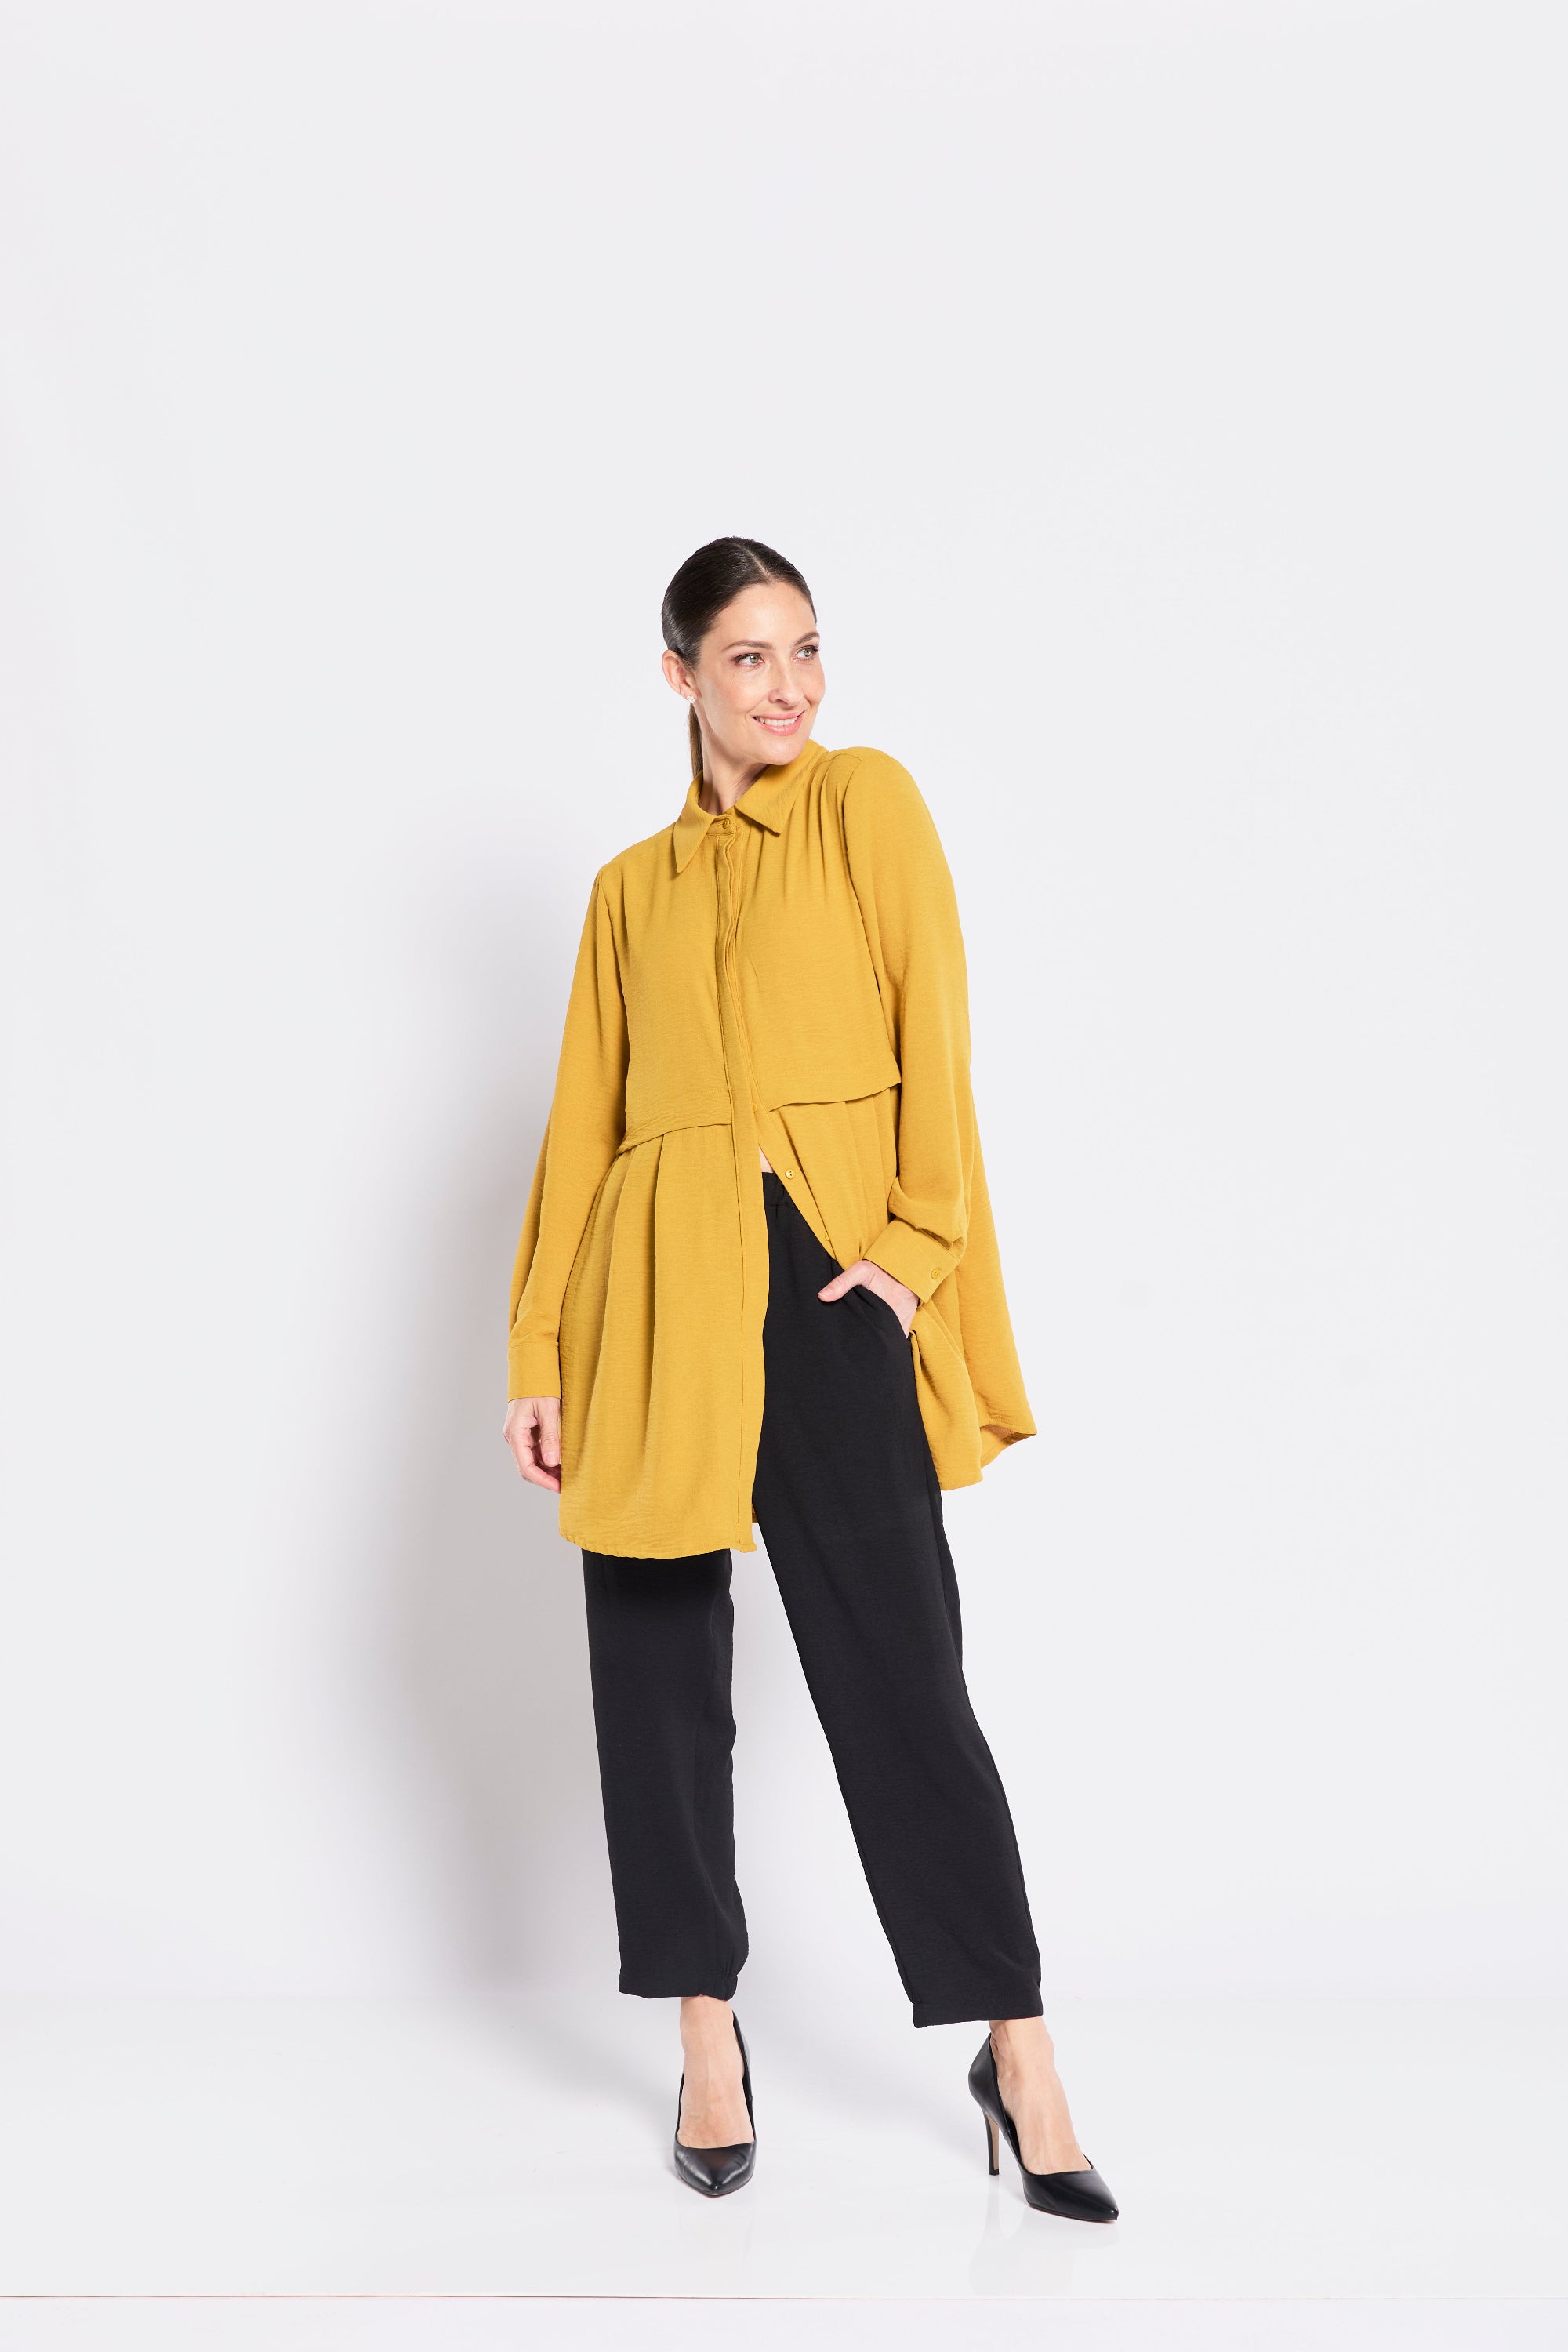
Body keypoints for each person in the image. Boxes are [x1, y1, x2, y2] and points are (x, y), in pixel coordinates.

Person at [503, 536, 1116, 2219]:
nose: (789, 687)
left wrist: (913, 1251)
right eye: (749, 658)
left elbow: (936, 1034)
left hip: (830, 1282)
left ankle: (1018, 2049)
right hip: (652, 1294)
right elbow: (580, 1132)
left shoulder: (864, 804)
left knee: (903, 1676)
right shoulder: (630, 890)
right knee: (654, 1673)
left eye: (807, 650)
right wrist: (540, 1347)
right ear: (680, 674)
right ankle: (704, 2033)